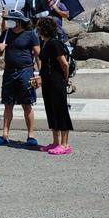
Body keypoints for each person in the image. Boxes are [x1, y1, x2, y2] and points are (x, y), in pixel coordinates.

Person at [0, 9, 41, 146]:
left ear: (19, 21)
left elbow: (38, 56)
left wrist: (40, 75)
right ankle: (5, 134)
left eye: (11, 19)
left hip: (27, 72)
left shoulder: (30, 35)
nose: (9, 21)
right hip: (9, 73)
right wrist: (0, 49)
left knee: (28, 104)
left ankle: (31, 136)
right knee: (8, 104)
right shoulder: (6, 33)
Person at [34, 17, 74, 155]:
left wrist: (66, 78)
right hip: (48, 83)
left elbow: (64, 64)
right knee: (51, 112)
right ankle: (55, 142)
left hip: (57, 83)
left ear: (43, 29)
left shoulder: (54, 43)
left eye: (38, 27)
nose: (37, 29)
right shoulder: (45, 44)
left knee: (61, 111)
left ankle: (65, 144)